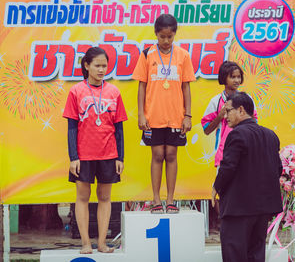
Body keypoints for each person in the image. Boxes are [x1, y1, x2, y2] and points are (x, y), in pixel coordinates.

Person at [63, 47, 128, 254]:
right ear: (87, 66)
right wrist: (73, 157)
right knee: (82, 197)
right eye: (97, 65)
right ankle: (84, 243)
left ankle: (101, 243)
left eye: (104, 66)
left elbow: (119, 128)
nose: (101, 70)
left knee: (105, 197)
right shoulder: (76, 91)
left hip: (109, 153)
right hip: (84, 155)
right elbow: (72, 127)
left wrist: (120, 156)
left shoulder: (114, 92)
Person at [132, 14, 196, 214]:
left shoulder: (183, 56)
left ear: (175, 34)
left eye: (170, 37)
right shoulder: (147, 55)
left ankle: (170, 199)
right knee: (157, 154)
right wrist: (142, 115)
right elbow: (142, 87)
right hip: (153, 116)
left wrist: (188, 115)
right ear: (156, 33)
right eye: (162, 37)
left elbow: (186, 87)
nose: (166, 41)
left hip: (176, 115)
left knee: (171, 154)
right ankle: (156, 199)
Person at [212, 92, 282, 262]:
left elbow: (228, 167)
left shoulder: (236, 134)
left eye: (228, 111)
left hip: (238, 209)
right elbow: (278, 169)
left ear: (241, 110)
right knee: (256, 255)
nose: (225, 116)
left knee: (234, 255)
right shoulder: (271, 135)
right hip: (263, 209)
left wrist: (216, 187)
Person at [201, 61, 257, 229]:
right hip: (224, 153)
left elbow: (254, 122)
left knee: (244, 187)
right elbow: (206, 129)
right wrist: (221, 114)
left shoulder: (247, 100)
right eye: (232, 77)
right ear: (223, 78)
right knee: (224, 189)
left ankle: (244, 224)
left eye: (239, 76)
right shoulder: (216, 101)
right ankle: (226, 223)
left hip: (245, 152)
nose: (236, 80)